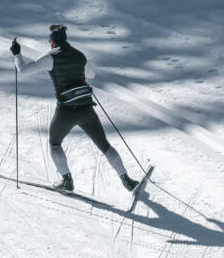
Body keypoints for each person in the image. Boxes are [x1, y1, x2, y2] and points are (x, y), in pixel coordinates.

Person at [10, 24, 138, 192]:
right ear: (65, 39)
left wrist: (17, 54)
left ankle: (67, 181)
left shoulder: (50, 57)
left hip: (66, 112)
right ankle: (127, 180)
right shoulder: (79, 55)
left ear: (52, 42)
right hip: (87, 110)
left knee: (55, 144)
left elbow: (24, 71)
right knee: (105, 146)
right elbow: (91, 74)